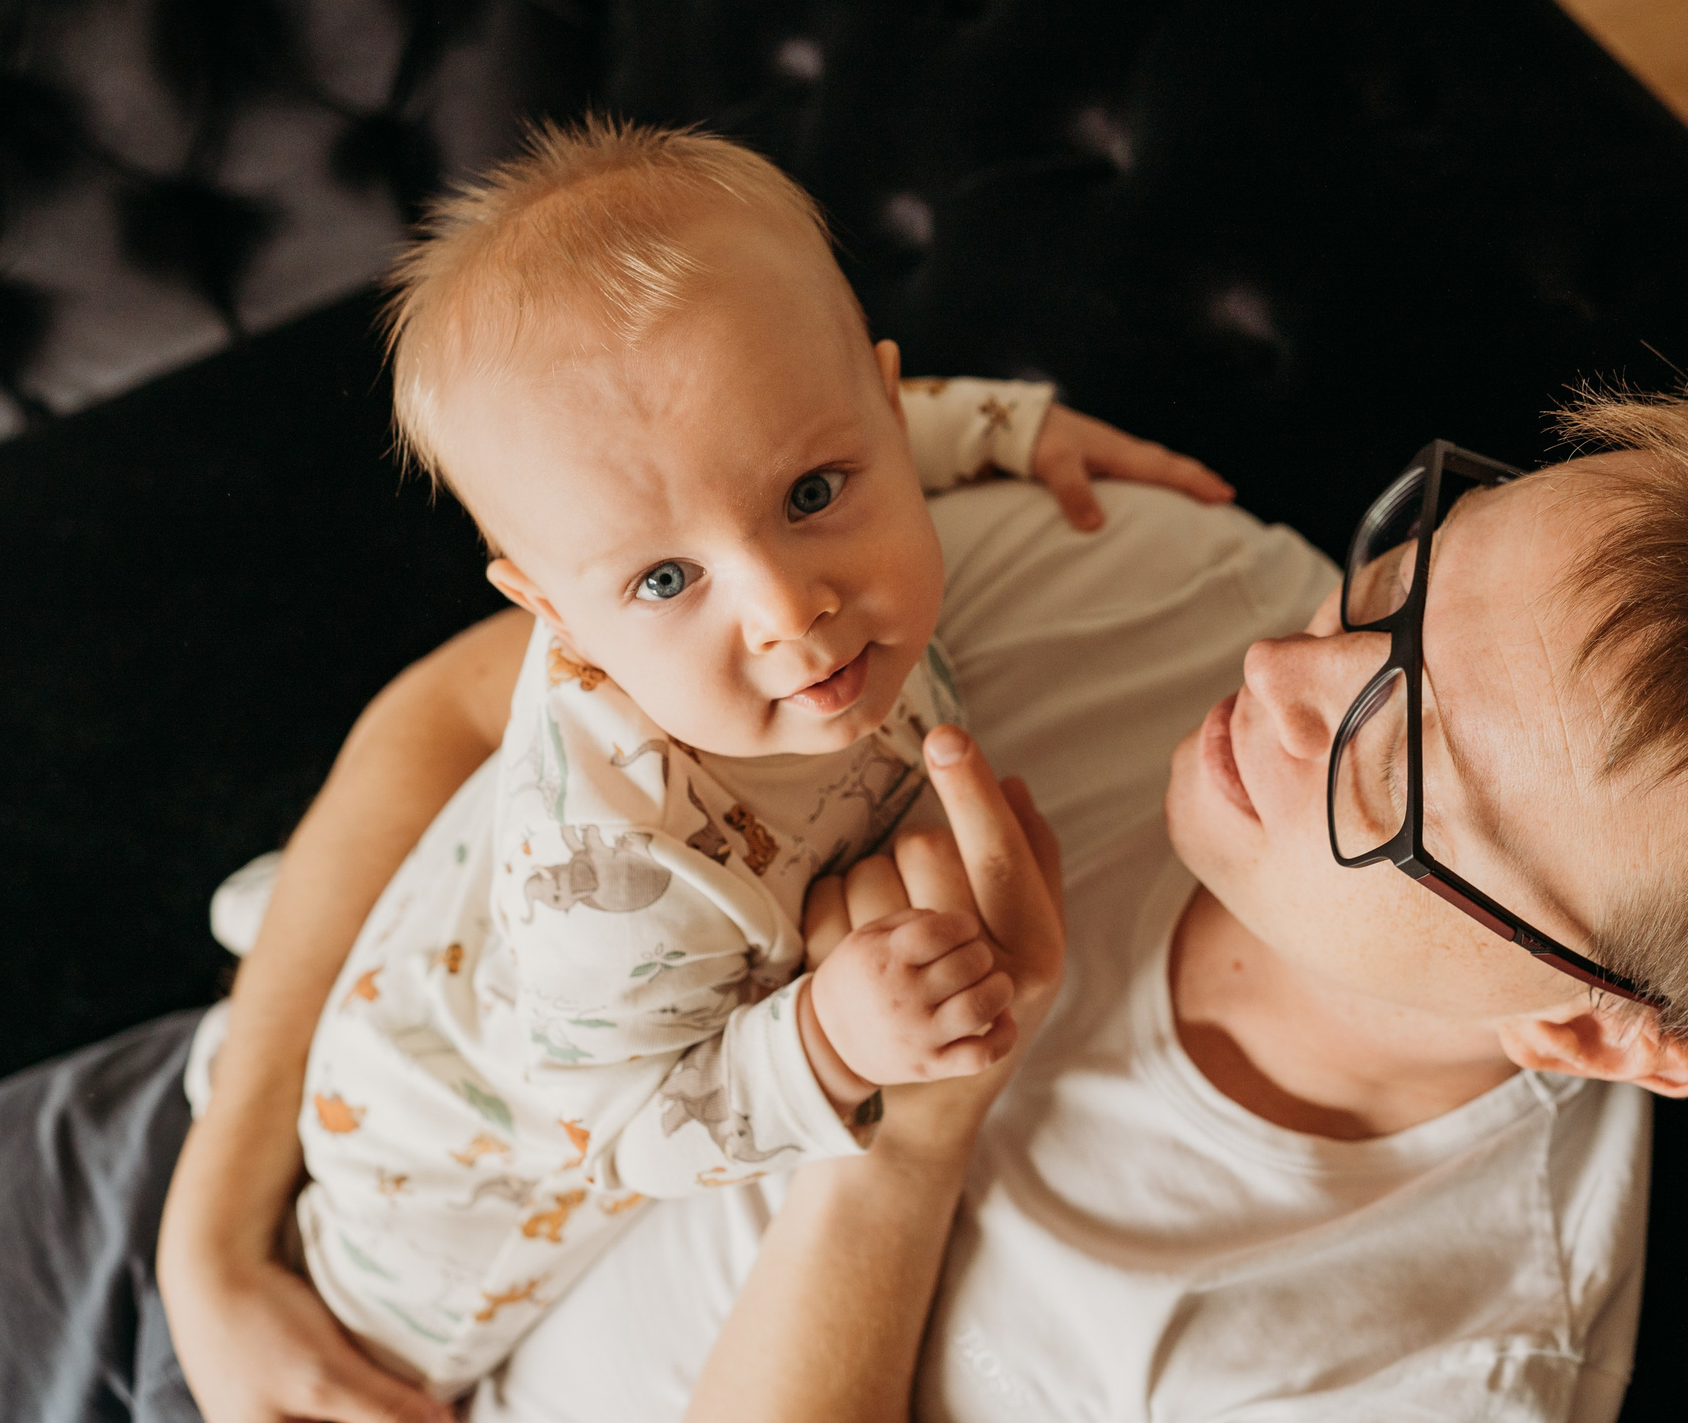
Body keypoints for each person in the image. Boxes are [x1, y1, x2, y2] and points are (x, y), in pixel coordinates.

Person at [160, 387, 1688, 1422]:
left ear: (1578, 1026)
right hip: (245, 1136)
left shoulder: (1410, 1371)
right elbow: (454, 714)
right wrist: (210, 1244)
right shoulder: (1139, 565)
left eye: (1407, 758)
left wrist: (903, 1155)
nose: (1298, 664)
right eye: (1406, 574)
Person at [183, 117, 1236, 1395]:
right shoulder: (616, 865)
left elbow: (859, 419)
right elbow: (618, 1131)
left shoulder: (807, 475)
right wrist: (830, 1044)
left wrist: (1012, 433)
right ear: (553, 614)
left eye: (810, 498)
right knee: (376, 1362)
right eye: (667, 578)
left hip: (494, 959)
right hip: (449, 1162)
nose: (788, 612)